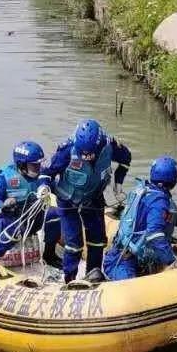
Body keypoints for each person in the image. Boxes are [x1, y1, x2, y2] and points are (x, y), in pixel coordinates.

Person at [42, 120, 132, 283]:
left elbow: (126, 158)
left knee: (97, 241)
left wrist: (118, 184)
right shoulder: (67, 150)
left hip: (93, 197)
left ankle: (93, 275)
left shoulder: (110, 145)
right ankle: (69, 279)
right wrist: (44, 187)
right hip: (67, 200)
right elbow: (47, 172)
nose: (86, 156)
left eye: (90, 153)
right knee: (74, 244)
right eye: (83, 153)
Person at [102, 156, 177, 281]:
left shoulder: (143, 190)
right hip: (122, 262)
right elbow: (154, 234)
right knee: (130, 291)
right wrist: (172, 262)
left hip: (124, 256)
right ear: (174, 180)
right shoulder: (159, 202)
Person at [0, 141, 49, 260]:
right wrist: (3, 204)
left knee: (55, 215)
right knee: (15, 227)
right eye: (33, 166)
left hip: (29, 217)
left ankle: (50, 255)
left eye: (38, 165)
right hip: (6, 219)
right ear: (22, 165)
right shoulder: (4, 177)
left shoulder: (41, 176)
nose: (38, 169)